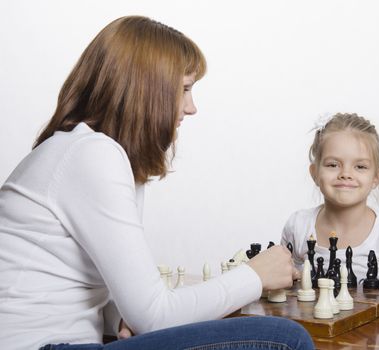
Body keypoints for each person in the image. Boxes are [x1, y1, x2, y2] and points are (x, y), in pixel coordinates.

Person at [0, 16, 314, 350]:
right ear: (147, 91)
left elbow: (70, 288)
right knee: (284, 339)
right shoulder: (91, 154)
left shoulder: (84, 151)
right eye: (184, 89)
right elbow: (155, 315)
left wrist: (115, 319)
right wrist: (255, 276)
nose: (191, 108)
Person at [281, 113, 379, 298]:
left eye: (360, 167)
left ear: (376, 178)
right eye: (333, 165)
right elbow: (284, 293)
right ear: (315, 173)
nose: (346, 174)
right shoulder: (298, 226)